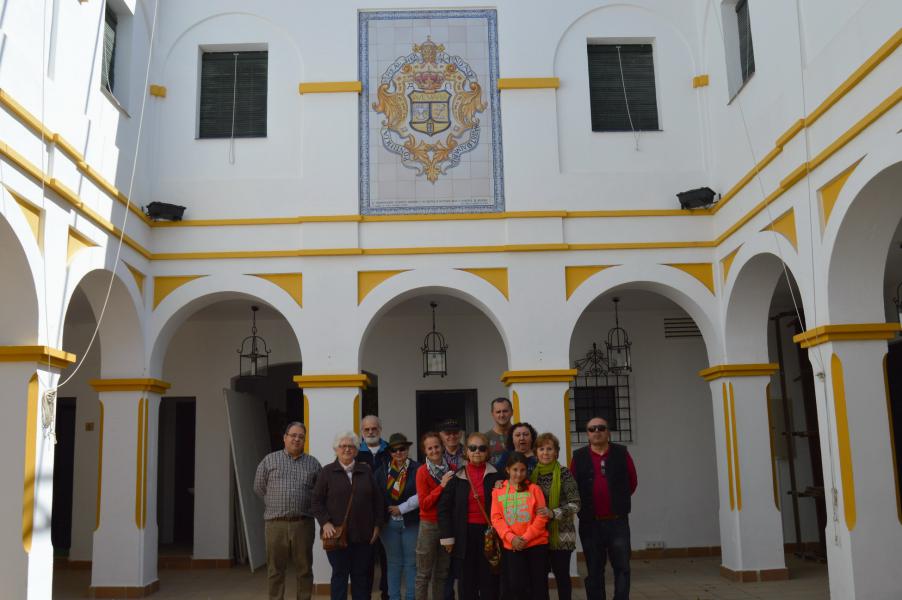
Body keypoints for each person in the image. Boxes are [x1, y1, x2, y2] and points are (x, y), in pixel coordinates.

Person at [311, 431, 385, 600]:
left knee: (361, 576)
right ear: (336, 449)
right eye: (343, 446)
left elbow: (378, 500)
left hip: (363, 535)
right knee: (339, 575)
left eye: (351, 446)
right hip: (336, 535)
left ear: (356, 450)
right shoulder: (327, 472)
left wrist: (377, 525)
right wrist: (325, 522)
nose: (347, 449)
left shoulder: (365, 471)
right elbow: (316, 501)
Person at [570, 417, 637, 600]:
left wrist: (617, 500)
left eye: (601, 428)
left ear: (608, 432)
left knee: (622, 568)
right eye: (592, 429)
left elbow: (632, 481)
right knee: (594, 570)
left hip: (617, 521)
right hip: (590, 523)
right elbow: (572, 487)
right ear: (587, 434)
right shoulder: (579, 456)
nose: (597, 431)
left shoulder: (621, 453)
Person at [253, 422, 322, 600]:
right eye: (293, 435)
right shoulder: (269, 460)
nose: (297, 439)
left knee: (304, 569)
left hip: (303, 524)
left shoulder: (313, 463)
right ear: (285, 437)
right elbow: (259, 487)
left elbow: (319, 492)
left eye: (301, 437)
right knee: (275, 570)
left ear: (304, 440)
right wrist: (275, 503)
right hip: (275, 524)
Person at [438, 432, 504, 600]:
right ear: (466, 451)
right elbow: (444, 508)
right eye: (473, 448)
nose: (477, 451)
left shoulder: (498, 476)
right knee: (467, 583)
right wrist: (447, 536)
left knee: (490, 581)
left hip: (489, 534)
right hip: (464, 534)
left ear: (487, 452)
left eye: (481, 448)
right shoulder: (456, 477)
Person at [490, 452, 549, 600]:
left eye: (522, 470)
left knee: (538, 587)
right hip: (512, 546)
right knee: (516, 587)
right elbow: (496, 518)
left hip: (536, 545)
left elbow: (542, 517)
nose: (519, 474)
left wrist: (525, 538)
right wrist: (511, 538)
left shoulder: (534, 489)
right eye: (515, 470)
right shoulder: (498, 491)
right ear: (507, 470)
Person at [531, 433, 580, 600]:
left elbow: (576, 504)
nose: (545, 452)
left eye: (549, 449)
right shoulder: (530, 475)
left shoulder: (565, 473)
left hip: (562, 536)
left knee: (562, 577)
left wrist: (553, 513)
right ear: (536, 452)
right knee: (539, 578)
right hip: (537, 535)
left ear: (556, 452)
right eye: (541, 449)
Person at [375, 433, 421, 600]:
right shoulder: (382, 471)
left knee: (411, 563)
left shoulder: (418, 469)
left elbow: (422, 494)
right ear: (390, 452)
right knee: (393, 563)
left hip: (411, 523)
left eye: (402, 449)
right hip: (389, 525)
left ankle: (411, 597)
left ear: (407, 449)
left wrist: (401, 508)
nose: (398, 453)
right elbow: (376, 496)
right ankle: (393, 597)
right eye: (394, 450)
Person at [414, 432, 455, 600]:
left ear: (442, 447)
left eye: (436, 446)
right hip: (429, 526)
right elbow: (424, 504)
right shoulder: (422, 472)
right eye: (429, 448)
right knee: (423, 574)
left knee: (442, 573)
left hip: (447, 526)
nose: (434, 451)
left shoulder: (452, 469)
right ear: (425, 451)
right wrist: (442, 485)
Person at [359, 415, 391, 600]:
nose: (371, 432)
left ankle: (387, 593)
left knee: (388, 559)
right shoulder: (354, 452)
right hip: (364, 516)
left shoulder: (391, 451)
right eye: (367, 429)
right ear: (362, 431)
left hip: (388, 513)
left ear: (380, 429)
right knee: (366, 560)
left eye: (374, 428)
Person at [484, 398, 513, 469]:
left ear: (512, 412)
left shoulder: (521, 436)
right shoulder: (484, 438)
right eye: (498, 412)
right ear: (492, 414)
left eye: (505, 411)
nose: (502, 415)